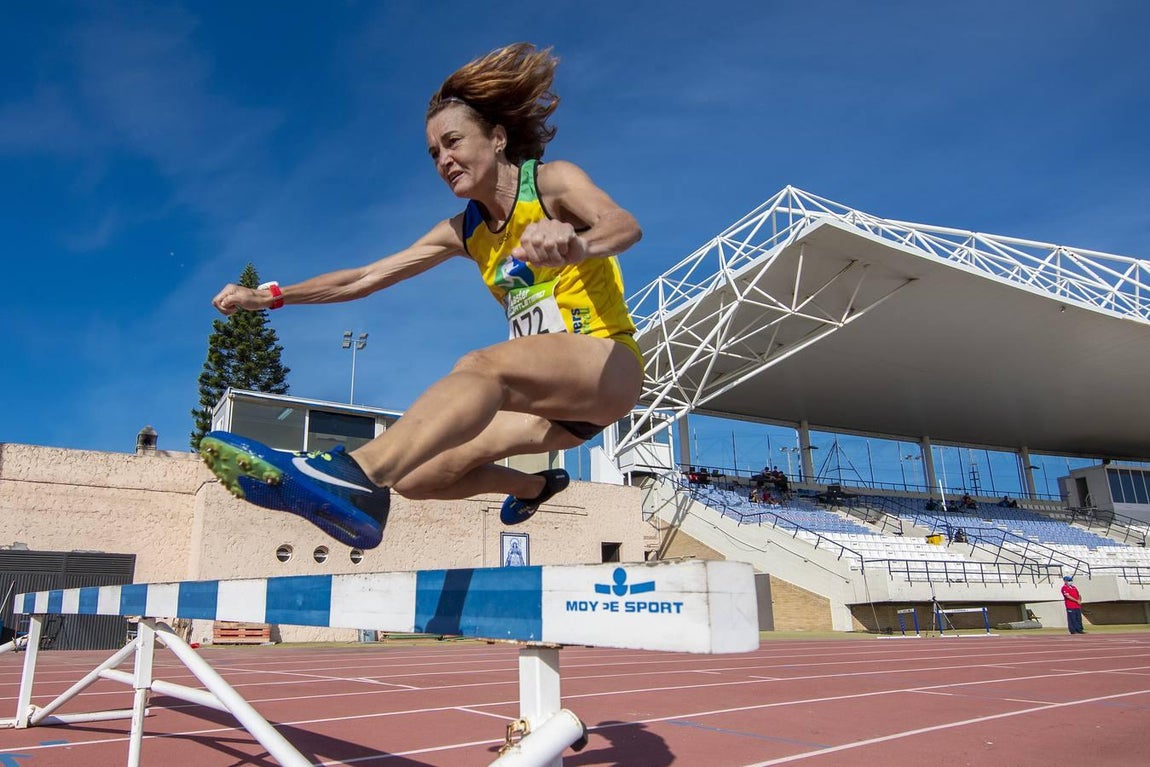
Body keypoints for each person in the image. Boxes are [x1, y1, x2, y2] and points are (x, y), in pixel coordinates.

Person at [200, 43, 644, 549]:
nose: (444, 160)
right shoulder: (464, 231)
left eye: (453, 142)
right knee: (415, 476)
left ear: (497, 139)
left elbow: (625, 226)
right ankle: (534, 485)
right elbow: (365, 277)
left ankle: (354, 471)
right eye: (434, 153)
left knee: (481, 365)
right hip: (551, 409)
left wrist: (577, 243)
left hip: (607, 365)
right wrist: (271, 297)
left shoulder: (550, 183)